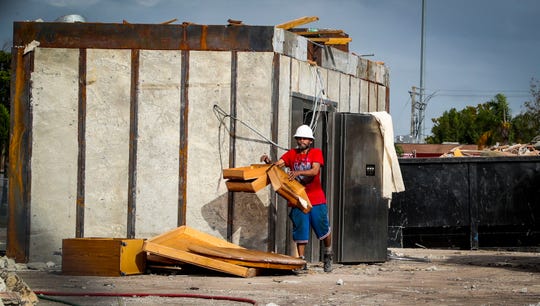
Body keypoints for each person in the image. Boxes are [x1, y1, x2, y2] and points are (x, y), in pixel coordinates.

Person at [261, 124, 333, 272]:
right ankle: (301, 260)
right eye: (299, 138)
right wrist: (269, 161)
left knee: (322, 228)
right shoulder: (291, 154)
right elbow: (277, 165)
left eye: (304, 139)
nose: (301, 141)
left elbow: (314, 171)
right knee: (300, 227)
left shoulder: (316, 153)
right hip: (297, 197)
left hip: (316, 197)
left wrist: (298, 172)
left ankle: (328, 253)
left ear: (310, 141)